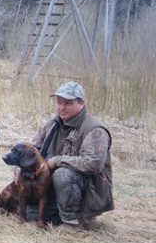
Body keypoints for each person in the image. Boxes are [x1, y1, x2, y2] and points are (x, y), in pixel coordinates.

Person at [32, 81, 114, 230]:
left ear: (82, 103)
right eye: (59, 102)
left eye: (68, 103)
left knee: (63, 174)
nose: (62, 107)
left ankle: (72, 223)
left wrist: (57, 161)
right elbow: (34, 149)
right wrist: (20, 167)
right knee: (24, 210)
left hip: (89, 191)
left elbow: (93, 164)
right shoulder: (52, 124)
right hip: (54, 187)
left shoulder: (95, 130)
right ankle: (52, 210)